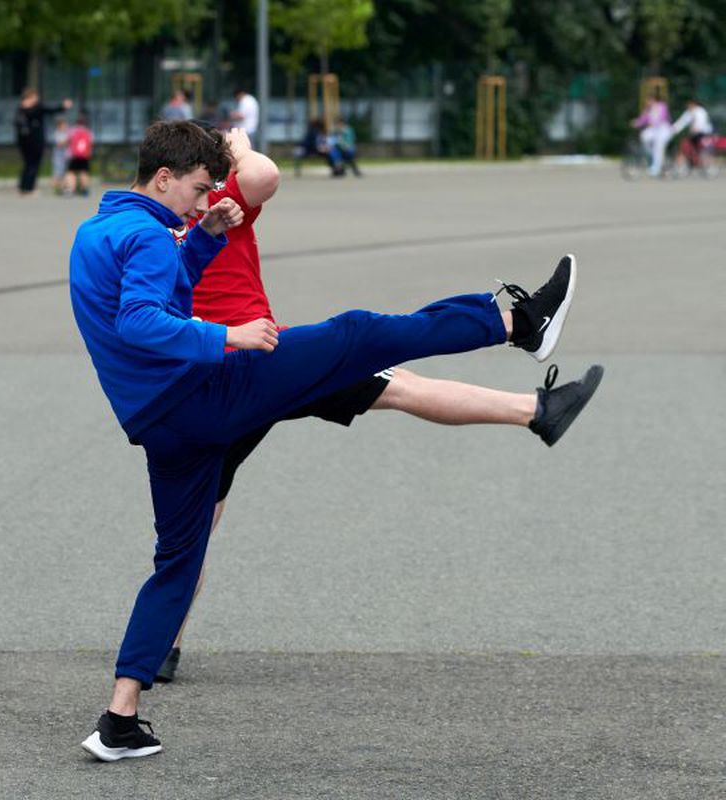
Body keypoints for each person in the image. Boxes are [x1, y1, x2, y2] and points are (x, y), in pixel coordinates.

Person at [71, 120, 589, 761]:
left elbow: (153, 294)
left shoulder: (96, 231)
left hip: (160, 425)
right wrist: (229, 338)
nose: (205, 202)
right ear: (164, 177)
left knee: (176, 561)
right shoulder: (148, 234)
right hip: (212, 391)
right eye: (200, 190)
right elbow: (143, 320)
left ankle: (119, 719)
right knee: (360, 334)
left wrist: (204, 241)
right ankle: (518, 323)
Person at [14, 88, 72, 196]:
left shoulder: (20, 109)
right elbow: (50, 110)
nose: (37, 99)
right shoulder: (35, 108)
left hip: (24, 141)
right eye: (35, 96)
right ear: (30, 97)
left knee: (28, 164)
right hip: (34, 141)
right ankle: (28, 188)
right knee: (33, 164)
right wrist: (63, 106)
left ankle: (23, 186)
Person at [632, 94, 672, 178]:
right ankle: (652, 157)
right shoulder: (648, 110)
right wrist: (636, 123)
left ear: (653, 100)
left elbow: (663, 117)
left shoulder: (662, 106)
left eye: (648, 101)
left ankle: (656, 168)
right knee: (644, 136)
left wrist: (654, 122)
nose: (646, 103)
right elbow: (643, 119)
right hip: (654, 130)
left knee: (659, 146)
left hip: (664, 129)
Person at [671, 97, 714, 171]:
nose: (688, 106)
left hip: (703, 134)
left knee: (701, 150)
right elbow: (682, 122)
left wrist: (696, 129)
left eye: (689, 104)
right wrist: (673, 129)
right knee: (686, 147)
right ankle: (690, 162)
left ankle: (706, 164)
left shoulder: (700, 111)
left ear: (693, 104)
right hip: (695, 135)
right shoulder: (689, 112)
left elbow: (701, 123)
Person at [64, 112, 94, 197]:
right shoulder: (88, 132)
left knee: (71, 172)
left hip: (74, 155)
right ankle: (85, 190)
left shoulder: (72, 131)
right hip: (85, 156)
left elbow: (67, 141)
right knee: (84, 172)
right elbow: (90, 143)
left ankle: (70, 190)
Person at [51, 117, 70, 195]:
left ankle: (63, 188)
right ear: (59, 126)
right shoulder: (57, 133)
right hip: (58, 158)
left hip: (66, 157)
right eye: (64, 125)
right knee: (57, 173)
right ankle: (56, 188)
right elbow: (59, 144)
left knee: (65, 173)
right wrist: (67, 141)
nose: (66, 127)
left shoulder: (67, 133)